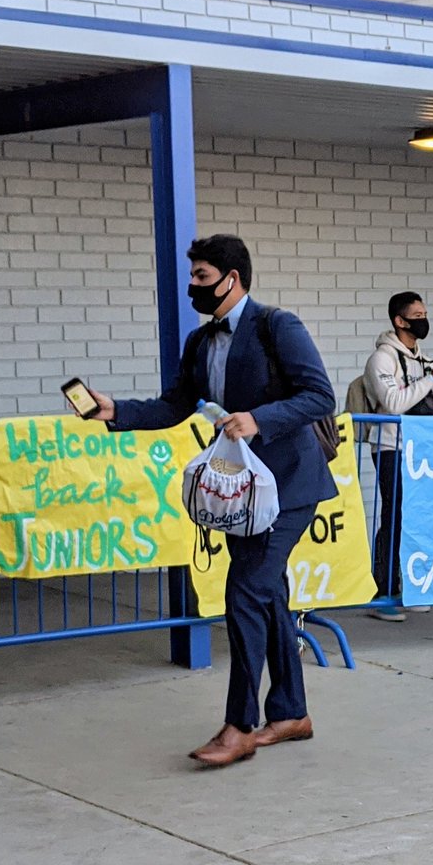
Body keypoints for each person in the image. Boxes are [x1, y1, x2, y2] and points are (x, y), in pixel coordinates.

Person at [85, 235, 338, 766]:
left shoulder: (277, 326)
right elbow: (176, 404)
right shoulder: (201, 342)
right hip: (244, 492)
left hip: (290, 487)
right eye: (193, 276)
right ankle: (291, 713)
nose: (193, 287)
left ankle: (239, 726)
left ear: (232, 278)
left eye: (202, 276)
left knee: (244, 592)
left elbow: (319, 395)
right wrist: (116, 411)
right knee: (267, 594)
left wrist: (258, 419)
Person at [363, 291, 433, 621]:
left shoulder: (424, 360)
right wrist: (430, 378)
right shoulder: (382, 359)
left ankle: (413, 587)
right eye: (417, 316)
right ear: (399, 321)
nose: (423, 320)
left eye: (425, 314)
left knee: (417, 519)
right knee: (393, 516)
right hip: (390, 447)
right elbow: (393, 403)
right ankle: (384, 592)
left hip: (420, 449)